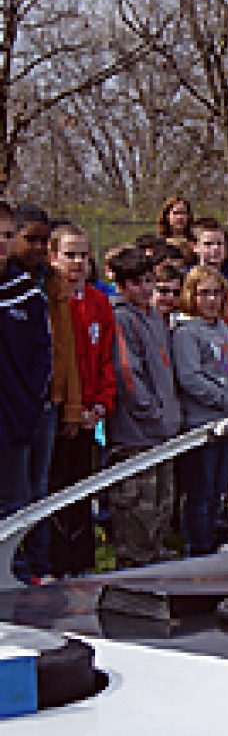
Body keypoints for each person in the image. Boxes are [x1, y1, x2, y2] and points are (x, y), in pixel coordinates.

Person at [11, 205, 81, 580]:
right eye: (30, 239)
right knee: (16, 492)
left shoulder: (52, 283)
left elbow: (64, 347)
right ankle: (17, 565)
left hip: (48, 400)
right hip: (15, 402)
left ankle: (40, 564)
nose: (37, 247)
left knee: (41, 488)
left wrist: (70, 405)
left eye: (43, 240)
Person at [106, 248, 181, 568]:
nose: (146, 289)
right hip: (136, 433)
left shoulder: (153, 317)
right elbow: (128, 373)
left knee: (162, 500)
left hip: (163, 429)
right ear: (121, 285)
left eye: (149, 280)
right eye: (137, 283)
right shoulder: (121, 318)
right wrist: (149, 410)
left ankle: (156, 550)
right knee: (137, 502)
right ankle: (134, 558)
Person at [48, 224, 116, 576]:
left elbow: (107, 359)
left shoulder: (98, 302)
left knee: (80, 490)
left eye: (82, 255)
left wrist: (101, 405)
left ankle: (82, 563)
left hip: (90, 414)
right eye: (68, 254)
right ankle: (55, 564)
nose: (76, 262)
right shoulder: (50, 301)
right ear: (53, 257)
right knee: (53, 491)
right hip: (58, 415)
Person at [172, 267, 228, 556]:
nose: (211, 300)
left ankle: (215, 539)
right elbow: (190, 378)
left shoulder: (223, 328)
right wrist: (224, 400)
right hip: (200, 424)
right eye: (204, 293)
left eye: (216, 293)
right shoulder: (186, 332)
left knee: (219, 489)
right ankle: (198, 547)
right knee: (200, 493)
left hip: (225, 421)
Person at [0, 201, 51, 574]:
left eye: (5, 236)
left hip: (14, 421)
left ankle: (15, 575)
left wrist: (28, 405)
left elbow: (40, 356)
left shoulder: (26, 293)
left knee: (17, 504)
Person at [151, 263, 183, 331]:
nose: (171, 297)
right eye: (164, 290)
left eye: (176, 293)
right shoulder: (135, 321)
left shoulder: (186, 324)